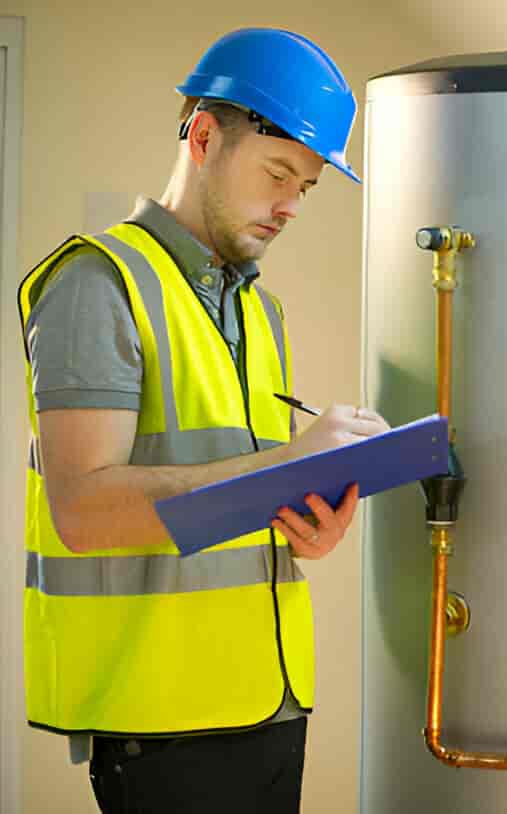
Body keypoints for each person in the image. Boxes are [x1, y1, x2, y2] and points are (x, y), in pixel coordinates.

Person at [17, 28, 388, 813]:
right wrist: (289, 466)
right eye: (278, 174)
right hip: (162, 722)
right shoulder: (98, 283)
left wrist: (306, 522)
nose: (291, 205)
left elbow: (233, 491)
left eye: (307, 186)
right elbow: (82, 510)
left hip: (268, 704)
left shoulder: (259, 310)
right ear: (205, 137)